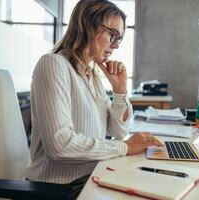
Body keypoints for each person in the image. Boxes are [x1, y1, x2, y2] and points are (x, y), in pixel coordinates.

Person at [25, 0, 163, 198]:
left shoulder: (92, 75)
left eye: (120, 39)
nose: (115, 45)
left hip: (91, 178)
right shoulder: (53, 65)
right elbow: (60, 145)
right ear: (88, 26)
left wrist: (120, 91)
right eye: (112, 35)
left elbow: (117, 130)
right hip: (60, 188)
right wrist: (124, 147)